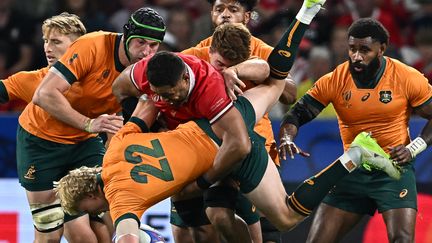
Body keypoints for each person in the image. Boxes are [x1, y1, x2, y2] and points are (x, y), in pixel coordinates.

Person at [54, 63, 400, 243]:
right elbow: (145, 103)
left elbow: (128, 234)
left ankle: (353, 156)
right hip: (217, 121)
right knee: (274, 81)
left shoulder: (119, 198)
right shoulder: (116, 145)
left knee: (285, 217)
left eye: (86, 210)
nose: (95, 214)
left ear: (88, 195)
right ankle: (303, 15)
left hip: (229, 152)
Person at [16, 7, 166, 242]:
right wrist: (88, 123)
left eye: (153, 46)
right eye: (140, 43)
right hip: (40, 142)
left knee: (104, 220)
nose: (146, 52)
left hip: (85, 143)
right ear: (126, 36)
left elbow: (125, 115)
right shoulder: (92, 45)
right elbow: (44, 95)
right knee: (50, 232)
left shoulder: (148, 67)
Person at [278, 18, 432, 243]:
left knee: (402, 240)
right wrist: (286, 138)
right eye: (352, 49)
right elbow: (296, 114)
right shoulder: (336, 79)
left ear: (381, 49)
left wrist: (413, 148)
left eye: (364, 50)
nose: (356, 56)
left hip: (393, 172)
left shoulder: (406, 77)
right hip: (352, 169)